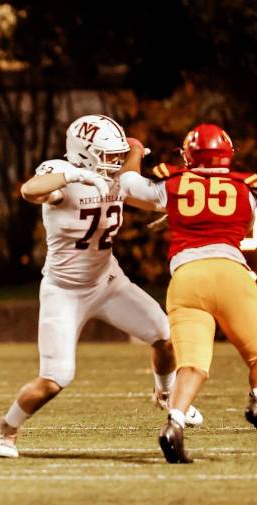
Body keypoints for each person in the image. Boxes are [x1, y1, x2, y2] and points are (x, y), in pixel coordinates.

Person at [0, 114, 201, 459]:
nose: (114, 162)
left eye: (116, 156)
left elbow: (134, 161)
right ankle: (7, 427)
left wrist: (164, 197)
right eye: (107, 155)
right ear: (83, 154)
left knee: (165, 337)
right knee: (55, 379)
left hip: (108, 282)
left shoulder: (115, 174)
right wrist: (76, 175)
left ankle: (166, 395)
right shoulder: (61, 174)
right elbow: (30, 190)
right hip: (65, 290)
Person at [120, 123, 257, 463]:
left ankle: (175, 423)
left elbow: (127, 185)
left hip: (187, 278)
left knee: (193, 364)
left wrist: (135, 150)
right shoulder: (248, 189)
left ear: (189, 155)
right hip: (229, 273)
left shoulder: (174, 183)